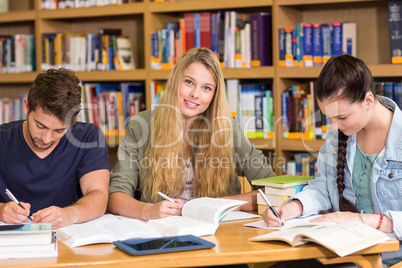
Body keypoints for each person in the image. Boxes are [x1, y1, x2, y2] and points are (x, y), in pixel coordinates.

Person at [263, 54, 402, 266]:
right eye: (329, 118)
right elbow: (323, 187)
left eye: (342, 117)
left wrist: (361, 220)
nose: (335, 126)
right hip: (347, 251)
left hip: (390, 257)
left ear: (368, 100)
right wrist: (293, 208)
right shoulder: (339, 134)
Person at [108, 47, 276, 220]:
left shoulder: (228, 128)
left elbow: (274, 190)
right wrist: (146, 211)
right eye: (189, 82)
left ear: (214, 95)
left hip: (218, 233)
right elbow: (116, 196)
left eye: (206, 88)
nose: (195, 94)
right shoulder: (141, 126)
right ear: (175, 81)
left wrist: (217, 205)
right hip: (161, 231)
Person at [0, 68, 110, 229]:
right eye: (40, 126)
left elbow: (98, 195)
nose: (46, 138)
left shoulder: (89, 137)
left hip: (69, 237)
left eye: (59, 130)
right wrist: (1, 210)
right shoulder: (2, 139)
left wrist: (70, 214)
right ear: (26, 106)